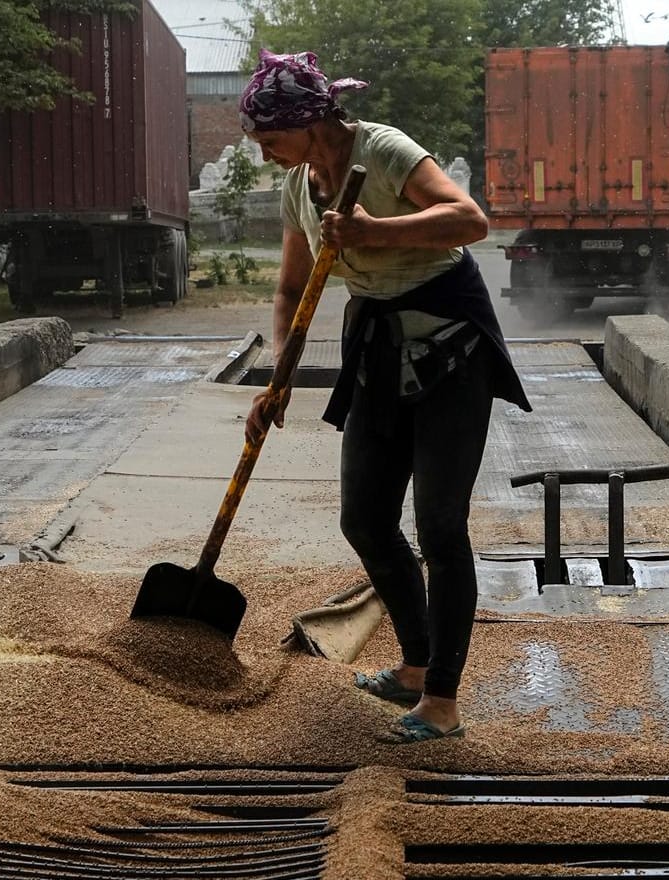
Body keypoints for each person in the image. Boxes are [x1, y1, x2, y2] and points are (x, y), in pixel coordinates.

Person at [238, 50, 532, 744]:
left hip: (451, 348)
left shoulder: (385, 150)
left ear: (312, 122)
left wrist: (375, 232)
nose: (264, 154)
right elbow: (289, 291)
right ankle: (414, 660)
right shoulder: (300, 187)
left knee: (439, 527)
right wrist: (280, 376)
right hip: (375, 349)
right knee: (365, 518)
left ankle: (442, 700)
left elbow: (471, 221)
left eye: (270, 139)